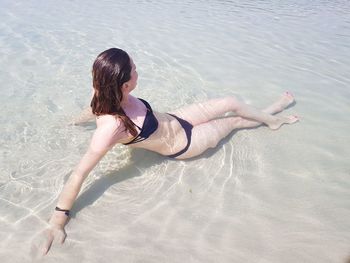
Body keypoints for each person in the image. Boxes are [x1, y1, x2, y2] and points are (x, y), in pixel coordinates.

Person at [42, 48, 298, 254]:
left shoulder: (103, 89)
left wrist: (74, 121)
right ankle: (272, 116)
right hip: (186, 143)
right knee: (234, 121)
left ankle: (269, 116)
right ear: (125, 85)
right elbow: (79, 174)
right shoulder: (111, 129)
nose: (137, 71)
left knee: (230, 102)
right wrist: (58, 220)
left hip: (177, 119)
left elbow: (93, 108)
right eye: (134, 69)